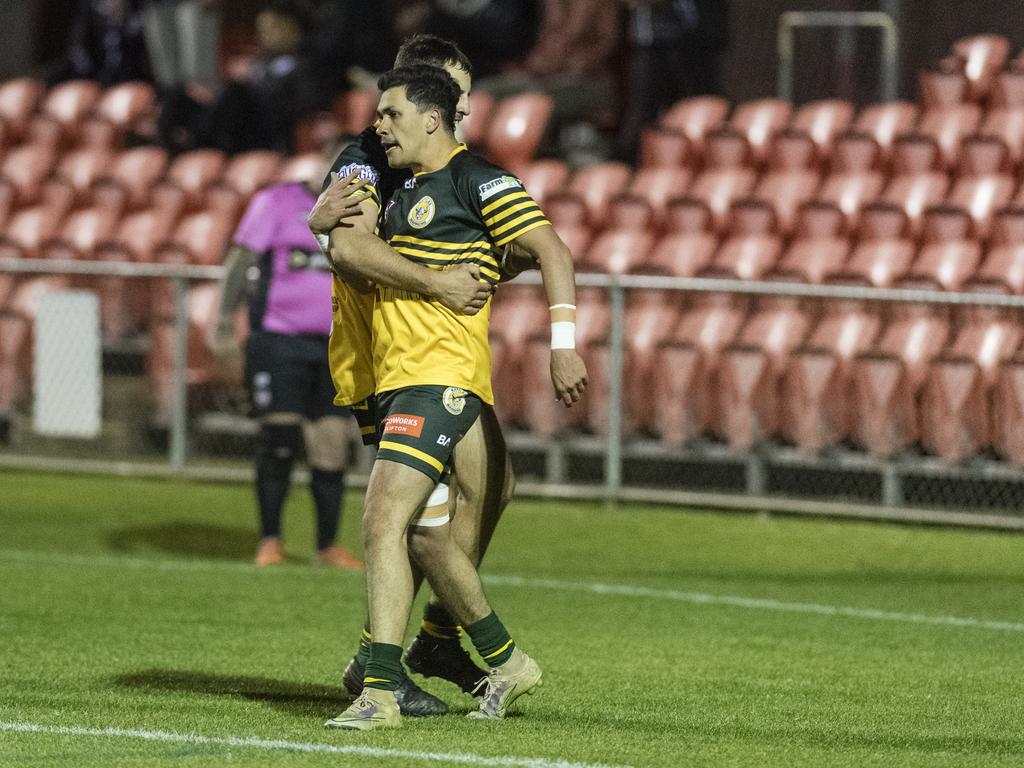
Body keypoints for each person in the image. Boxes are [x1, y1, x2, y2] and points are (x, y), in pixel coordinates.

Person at [322, 64, 587, 730]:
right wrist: (324, 215)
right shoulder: (387, 179)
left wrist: (563, 343)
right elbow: (340, 237)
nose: (377, 126)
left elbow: (551, 248)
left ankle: (380, 688)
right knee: (427, 538)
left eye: (390, 115)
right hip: (398, 376)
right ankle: (498, 659)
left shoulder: (479, 179)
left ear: (432, 118)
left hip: (437, 377)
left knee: (386, 519)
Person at [209, 141, 370, 569]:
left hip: (336, 345)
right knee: (279, 437)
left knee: (331, 444)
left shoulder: (364, 212)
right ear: (321, 162)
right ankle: (270, 539)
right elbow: (241, 261)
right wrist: (224, 321)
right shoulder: (278, 202)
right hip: (279, 341)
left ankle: (326, 545)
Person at [616, 0, 730, 162]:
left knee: (705, 106)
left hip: (701, 39)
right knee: (646, 108)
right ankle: (627, 166)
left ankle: (710, 162)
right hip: (655, 42)